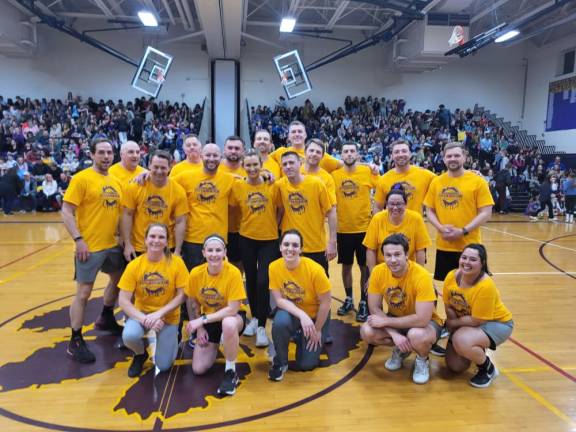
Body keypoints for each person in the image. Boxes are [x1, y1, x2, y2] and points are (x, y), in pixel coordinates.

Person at [61, 138, 124, 363]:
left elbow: (119, 214)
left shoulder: (115, 181)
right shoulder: (81, 179)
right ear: (92, 154)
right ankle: (75, 340)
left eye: (109, 153)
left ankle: (106, 316)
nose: (106, 156)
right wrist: (78, 239)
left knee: (118, 280)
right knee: (84, 293)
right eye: (101, 153)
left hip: (112, 245)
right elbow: (66, 211)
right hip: (90, 246)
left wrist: (123, 240)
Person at [359, 234, 443, 384]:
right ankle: (401, 349)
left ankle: (422, 359)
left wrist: (386, 322)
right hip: (395, 319)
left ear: (406, 255)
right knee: (367, 331)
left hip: (426, 324)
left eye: (397, 254)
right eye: (388, 255)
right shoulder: (378, 271)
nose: (393, 260)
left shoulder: (421, 276)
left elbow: (422, 319)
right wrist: (395, 334)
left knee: (416, 335)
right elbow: (374, 308)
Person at [118, 223, 188, 377]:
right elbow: (123, 300)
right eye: (153, 236)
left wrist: (159, 314)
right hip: (142, 315)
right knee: (129, 336)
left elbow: (183, 295)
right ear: (145, 240)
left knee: (163, 366)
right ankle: (139, 354)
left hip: (169, 317)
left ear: (167, 242)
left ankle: (172, 338)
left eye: (161, 237)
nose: (156, 240)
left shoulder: (177, 263)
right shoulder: (135, 265)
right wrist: (145, 319)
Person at [443, 244, 513, 388]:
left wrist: (454, 326)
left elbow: (477, 320)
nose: (466, 262)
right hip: (467, 322)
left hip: (497, 323)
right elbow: (448, 305)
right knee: (455, 366)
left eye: (473, 259)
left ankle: (487, 369)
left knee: (461, 340)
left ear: (482, 263)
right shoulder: (451, 276)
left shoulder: (486, 285)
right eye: (464, 257)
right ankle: (474, 344)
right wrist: (452, 322)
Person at [185, 235, 248, 396]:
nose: (214, 254)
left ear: (225, 252)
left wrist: (202, 320)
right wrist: (199, 329)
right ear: (204, 253)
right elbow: (192, 302)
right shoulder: (195, 274)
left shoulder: (233, 273)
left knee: (228, 324)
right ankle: (222, 341)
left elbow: (232, 309)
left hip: (232, 317)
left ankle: (230, 371)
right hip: (208, 319)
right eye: (210, 250)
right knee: (198, 369)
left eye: (218, 250)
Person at [424, 142, 494, 282]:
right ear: (443, 159)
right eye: (449, 156)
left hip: (470, 246)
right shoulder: (437, 182)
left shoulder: (478, 181)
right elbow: (429, 210)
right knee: (450, 288)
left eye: (457, 155)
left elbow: (486, 212)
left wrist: (463, 231)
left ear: (465, 157)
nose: (452, 159)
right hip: (445, 245)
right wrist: (441, 228)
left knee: (473, 287)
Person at [268, 230, 331, 381]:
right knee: (280, 322)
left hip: (316, 315)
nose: (290, 249)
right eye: (286, 244)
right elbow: (279, 301)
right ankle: (281, 362)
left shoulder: (315, 270)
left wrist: (317, 329)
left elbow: (326, 303)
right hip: (293, 313)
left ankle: (302, 335)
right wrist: (301, 315)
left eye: (295, 245)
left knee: (306, 365)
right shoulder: (273, 267)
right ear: (280, 247)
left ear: (301, 249)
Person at [231, 150, 279, 347]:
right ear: (243, 166)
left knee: (262, 280)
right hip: (246, 238)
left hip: (269, 239)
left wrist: (274, 226)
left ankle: (260, 326)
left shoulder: (272, 185)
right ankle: (254, 319)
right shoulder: (238, 186)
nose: (251, 169)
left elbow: (281, 209)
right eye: (248, 165)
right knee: (250, 279)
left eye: (255, 165)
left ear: (262, 165)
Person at [330, 142, 378, 322]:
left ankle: (364, 301)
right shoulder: (334, 175)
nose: (349, 154)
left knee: (365, 267)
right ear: (340, 154)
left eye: (352, 151)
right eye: (345, 151)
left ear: (358, 155)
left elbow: (380, 192)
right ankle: (349, 298)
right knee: (346, 266)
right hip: (343, 229)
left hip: (364, 229)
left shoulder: (368, 172)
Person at [173, 144, 235, 271]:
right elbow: (163, 182)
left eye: (215, 155)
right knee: (193, 282)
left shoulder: (229, 179)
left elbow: (250, 179)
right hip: (193, 239)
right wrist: (146, 174)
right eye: (208, 155)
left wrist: (264, 173)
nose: (211, 158)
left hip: (219, 239)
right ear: (201, 156)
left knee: (216, 284)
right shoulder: (185, 177)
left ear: (221, 157)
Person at [274, 151, 337, 275]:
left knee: (319, 288)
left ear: (300, 163)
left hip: (315, 246)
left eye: (291, 162)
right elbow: (280, 210)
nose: (288, 166)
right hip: (290, 247)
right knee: (292, 286)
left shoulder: (316, 183)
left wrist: (332, 242)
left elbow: (330, 212)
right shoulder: (280, 185)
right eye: (285, 164)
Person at [121, 150, 188, 261]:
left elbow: (180, 221)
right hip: (139, 246)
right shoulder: (135, 186)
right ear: (149, 166)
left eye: (163, 168)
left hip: (166, 246)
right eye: (155, 167)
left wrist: (177, 251)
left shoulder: (178, 191)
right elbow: (127, 215)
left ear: (170, 168)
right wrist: (127, 244)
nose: (159, 171)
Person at [363, 189, 431, 270]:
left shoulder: (416, 219)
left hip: (407, 269)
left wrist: (419, 274)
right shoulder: (377, 219)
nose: (395, 207)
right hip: (382, 268)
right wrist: (372, 274)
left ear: (405, 204)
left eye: (399, 204)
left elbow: (420, 250)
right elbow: (371, 249)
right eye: (391, 204)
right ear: (386, 205)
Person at [374, 140, 436, 213]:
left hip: (418, 223)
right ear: (392, 156)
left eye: (404, 151)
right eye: (396, 152)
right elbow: (378, 207)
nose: (400, 154)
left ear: (410, 154)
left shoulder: (426, 175)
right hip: (394, 223)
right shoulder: (383, 179)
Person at [218, 136, 247, 270]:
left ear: (243, 151)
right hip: (218, 226)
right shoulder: (215, 167)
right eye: (230, 148)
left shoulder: (249, 168)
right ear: (224, 150)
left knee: (238, 264)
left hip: (241, 227)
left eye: (237, 148)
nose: (233, 151)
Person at [269, 121, 342, 173]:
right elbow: (263, 162)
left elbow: (344, 165)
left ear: (305, 135)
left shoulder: (316, 154)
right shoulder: (280, 152)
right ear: (289, 136)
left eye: (300, 131)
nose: (297, 134)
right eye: (293, 132)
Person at [302, 139, 337, 204]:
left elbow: (331, 207)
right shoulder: (295, 172)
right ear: (305, 152)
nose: (314, 154)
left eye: (318, 152)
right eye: (311, 150)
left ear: (322, 156)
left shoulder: (327, 178)